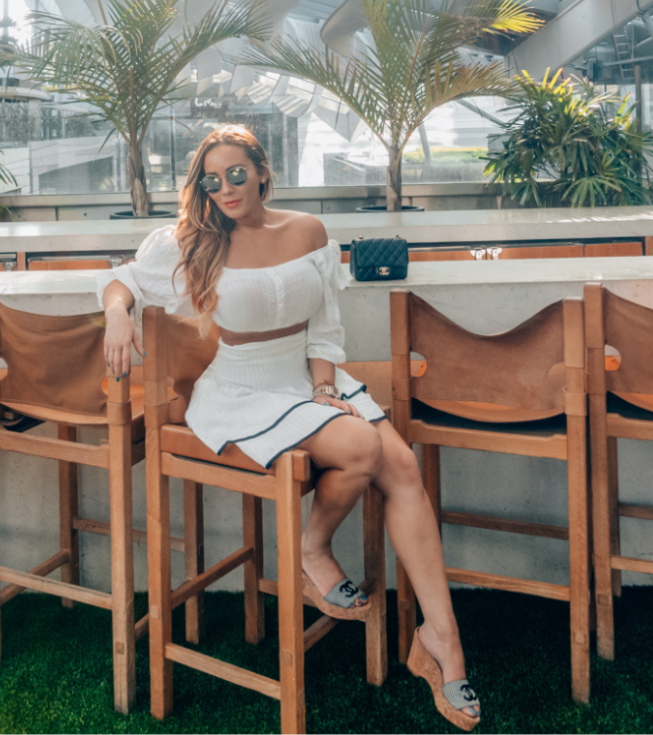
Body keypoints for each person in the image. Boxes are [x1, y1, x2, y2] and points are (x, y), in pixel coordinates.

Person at [98, 124, 481, 730]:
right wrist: (118, 315)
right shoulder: (192, 240)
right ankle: (311, 550)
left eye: (236, 175)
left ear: (262, 171)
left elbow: (323, 327)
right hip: (240, 389)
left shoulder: (308, 231)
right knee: (359, 445)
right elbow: (122, 279)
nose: (224, 188)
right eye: (211, 179)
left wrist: (326, 388)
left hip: (307, 380)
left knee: (401, 464)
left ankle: (443, 641)